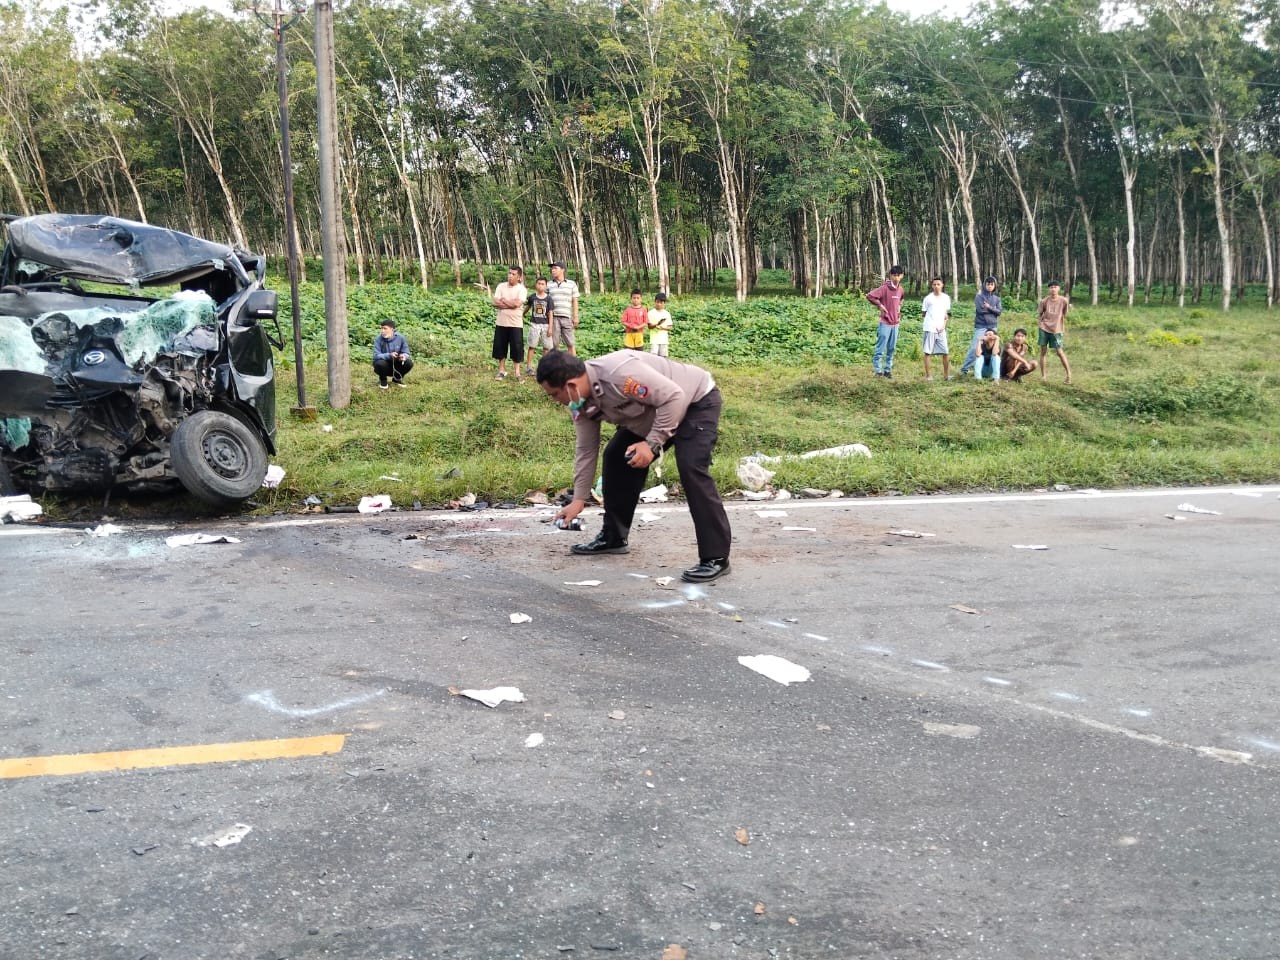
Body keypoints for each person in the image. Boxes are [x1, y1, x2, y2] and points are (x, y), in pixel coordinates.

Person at [537, 349, 732, 584]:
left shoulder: (620, 375)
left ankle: (716, 557)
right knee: (616, 456)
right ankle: (613, 537)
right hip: (655, 415)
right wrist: (578, 499)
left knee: (691, 467)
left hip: (694, 402)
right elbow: (586, 449)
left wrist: (651, 445)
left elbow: (674, 397)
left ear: (571, 386)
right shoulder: (580, 403)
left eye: (554, 394)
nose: (555, 401)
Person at [866, 265, 905, 378]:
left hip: (895, 323)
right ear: (890, 276)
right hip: (885, 322)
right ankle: (878, 371)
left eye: (898, 275)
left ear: (901, 276)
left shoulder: (901, 289)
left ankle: (887, 370)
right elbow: (870, 296)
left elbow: (901, 298)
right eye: (894, 275)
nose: (896, 278)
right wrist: (880, 305)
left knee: (891, 348)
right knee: (880, 347)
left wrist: (899, 309)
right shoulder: (884, 288)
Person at [962, 276, 1003, 377]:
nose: (990, 286)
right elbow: (980, 311)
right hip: (981, 325)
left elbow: (999, 312)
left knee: (993, 347)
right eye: (988, 284)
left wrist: (989, 307)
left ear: (994, 286)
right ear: (985, 285)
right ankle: (965, 369)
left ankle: (993, 371)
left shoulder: (997, 298)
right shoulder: (979, 297)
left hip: (993, 326)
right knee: (974, 347)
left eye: (992, 284)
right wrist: (993, 310)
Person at [491, 265, 527, 381]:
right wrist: (510, 304)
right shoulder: (501, 286)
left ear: (519, 277)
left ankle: (517, 372)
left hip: (515, 323)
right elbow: (495, 303)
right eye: (509, 273)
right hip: (501, 322)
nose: (510, 276)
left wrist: (504, 301)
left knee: (517, 347)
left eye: (513, 274)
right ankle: (501, 370)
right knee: (500, 346)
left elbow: (517, 304)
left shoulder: (522, 289)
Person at [1038, 281, 1073, 383]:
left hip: (1057, 329)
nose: (1053, 289)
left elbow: (1065, 313)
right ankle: (1043, 376)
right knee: (1043, 351)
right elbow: (1040, 313)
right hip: (1044, 328)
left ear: (1059, 289)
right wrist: (1040, 324)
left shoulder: (1064, 300)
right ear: (1048, 289)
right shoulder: (1044, 301)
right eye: (1051, 287)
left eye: (1055, 287)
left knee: (1059, 352)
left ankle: (1068, 375)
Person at [546, 260, 580, 355]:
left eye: (555, 268)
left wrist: (575, 316)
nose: (553, 270)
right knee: (554, 343)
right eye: (552, 268)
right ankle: (555, 366)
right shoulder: (548, 284)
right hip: (553, 318)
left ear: (562, 270)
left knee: (570, 343)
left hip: (566, 317)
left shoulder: (571, 284)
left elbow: (575, 301)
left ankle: (573, 367)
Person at [921, 276, 952, 381]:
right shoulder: (928, 298)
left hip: (941, 329)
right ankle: (928, 376)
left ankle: (946, 376)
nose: (936, 286)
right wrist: (933, 324)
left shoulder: (946, 298)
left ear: (942, 285)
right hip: (930, 328)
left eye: (938, 284)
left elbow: (946, 314)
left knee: (945, 352)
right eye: (934, 284)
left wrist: (943, 325)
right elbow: (924, 313)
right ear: (932, 286)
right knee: (927, 352)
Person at [524, 275, 553, 374]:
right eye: (539, 284)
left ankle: (543, 368)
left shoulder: (549, 299)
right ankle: (528, 367)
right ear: (536, 285)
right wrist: (521, 315)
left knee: (546, 347)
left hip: (545, 325)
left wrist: (550, 327)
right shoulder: (532, 297)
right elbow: (527, 307)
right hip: (534, 324)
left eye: (543, 284)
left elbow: (550, 313)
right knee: (532, 346)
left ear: (546, 286)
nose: (540, 286)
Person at [372, 320, 412, 389]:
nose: (382, 331)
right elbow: (376, 356)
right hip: (384, 366)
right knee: (379, 363)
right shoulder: (378, 339)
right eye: (381, 328)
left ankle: (397, 379)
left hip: (396, 365)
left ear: (392, 329)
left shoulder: (400, 338)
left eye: (385, 328)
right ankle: (383, 381)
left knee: (409, 363)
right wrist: (389, 355)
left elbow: (406, 352)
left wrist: (403, 356)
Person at [647, 290, 673, 357]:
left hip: (664, 340)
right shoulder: (650, 313)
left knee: (663, 358)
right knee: (653, 357)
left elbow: (670, 327)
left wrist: (662, 328)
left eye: (661, 302)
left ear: (664, 303)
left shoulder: (667, 313)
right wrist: (656, 325)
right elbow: (649, 326)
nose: (659, 304)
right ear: (655, 302)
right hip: (654, 340)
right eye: (657, 302)